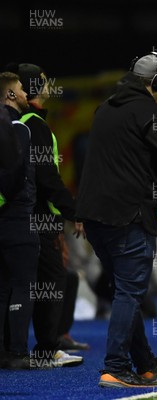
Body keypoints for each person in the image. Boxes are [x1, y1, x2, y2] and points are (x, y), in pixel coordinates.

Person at [76, 52, 157, 388]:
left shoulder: (105, 108)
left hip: (94, 217)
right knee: (130, 292)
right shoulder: (150, 113)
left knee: (125, 290)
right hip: (128, 216)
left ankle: (145, 364)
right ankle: (116, 366)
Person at [9, 62, 85, 367]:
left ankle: (19, 347)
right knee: (52, 281)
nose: (49, 85)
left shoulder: (25, 123)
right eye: (43, 81)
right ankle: (45, 349)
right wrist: (71, 212)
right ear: (32, 88)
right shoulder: (34, 125)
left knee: (33, 282)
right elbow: (46, 178)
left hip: (30, 216)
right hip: (40, 217)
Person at [0, 72, 38, 369]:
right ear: (10, 95)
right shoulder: (18, 129)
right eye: (22, 90)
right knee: (23, 284)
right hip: (17, 215)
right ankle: (17, 352)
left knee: (1, 286)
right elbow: (15, 174)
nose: (27, 94)